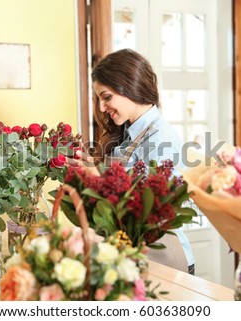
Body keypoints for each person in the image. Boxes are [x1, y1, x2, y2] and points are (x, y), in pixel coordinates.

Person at [70, 48, 195, 274]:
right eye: (99, 99)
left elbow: (151, 215)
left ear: (130, 87)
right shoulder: (130, 134)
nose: (101, 107)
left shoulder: (160, 138)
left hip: (162, 262)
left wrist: (96, 179)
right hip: (134, 259)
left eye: (106, 97)